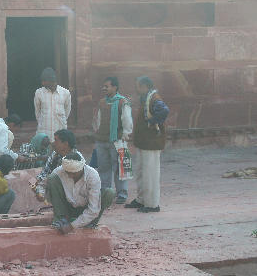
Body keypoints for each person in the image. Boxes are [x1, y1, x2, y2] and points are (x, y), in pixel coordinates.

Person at [125, 76, 169, 213]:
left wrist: (152, 122)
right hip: (144, 143)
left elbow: (164, 111)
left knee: (150, 174)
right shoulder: (147, 98)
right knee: (141, 172)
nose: (136, 89)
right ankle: (141, 199)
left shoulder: (154, 98)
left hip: (151, 143)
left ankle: (152, 204)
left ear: (144, 86)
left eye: (138, 86)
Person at [45, 152, 116, 233]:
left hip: (85, 208)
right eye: (68, 173)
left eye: (74, 173)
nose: (70, 176)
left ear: (82, 168)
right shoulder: (58, 173)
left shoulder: (92, 175)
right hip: (68, 208)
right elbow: (49, 196)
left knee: (109, 193)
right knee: (52, 179)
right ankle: (61, 220)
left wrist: (72, 226)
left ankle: (90, 224)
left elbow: (93, 209)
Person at [92, 76, 133, 204]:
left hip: (117, 141)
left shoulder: (123, 102)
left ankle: (122, 193)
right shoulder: (102, 102)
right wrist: (97, 132)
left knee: (119, 169)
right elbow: (97, 120)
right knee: (103, 168)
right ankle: (106, 193)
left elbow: (127, 120)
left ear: (115, 87)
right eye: (103, 86)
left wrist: (125, 134)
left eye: (107, 86)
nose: (104, 88)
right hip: (102, 140)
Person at [34, 129, 84, 201]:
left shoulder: (77, 159)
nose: (53, 143)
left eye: (56, 140)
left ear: (65, 144)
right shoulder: (55, 154)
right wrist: (39, 187)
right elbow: (45, 172)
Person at [34, 67, 71, 142]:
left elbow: (67, 111)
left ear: (51, 81)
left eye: (44, 81)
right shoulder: (39, 93)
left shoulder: (65, 93)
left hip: (60, 134)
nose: (42, 83)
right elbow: (37, 112)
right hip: (44, 134)